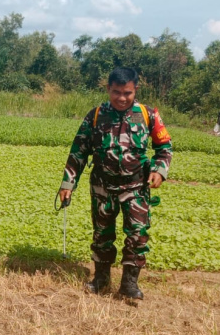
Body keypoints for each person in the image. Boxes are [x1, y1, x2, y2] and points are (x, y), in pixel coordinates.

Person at [58, 67, 172, 300]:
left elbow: (164, 147)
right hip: (102, 187)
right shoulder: (96, 115)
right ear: (108, 89)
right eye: (116, 92)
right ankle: (100, 280)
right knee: (102, 235)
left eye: (127, 93)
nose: (122, 98)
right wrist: (68, 184)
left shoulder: (148, 114)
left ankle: (129, 284)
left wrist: (160, 170)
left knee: (138, 235)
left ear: (135, 90)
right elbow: (78, 151)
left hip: (136, 188)